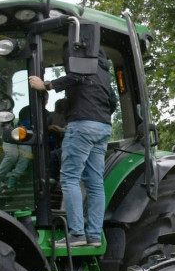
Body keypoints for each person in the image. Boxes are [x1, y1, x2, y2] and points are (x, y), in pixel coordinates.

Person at [29, 49, 117, 247]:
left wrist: (46, 85)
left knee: (69, 178)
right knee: (95, 183)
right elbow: (112, 101)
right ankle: (94, 234)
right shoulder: (103, 72)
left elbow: (75, 77)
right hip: (102, 127)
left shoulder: (83, 64)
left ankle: (77, 233)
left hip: (82, 125)